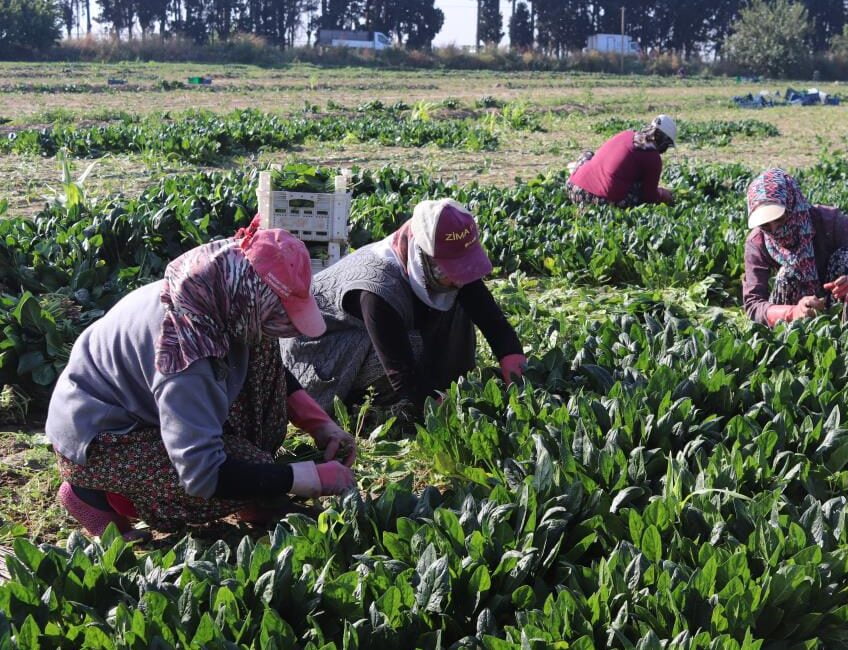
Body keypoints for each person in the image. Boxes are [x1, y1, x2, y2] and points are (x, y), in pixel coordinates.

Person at [46, 226, 357, 538]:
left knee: (262, 344)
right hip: (104, 440)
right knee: (240, 468)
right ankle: (92, 496)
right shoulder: (184, 350)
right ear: (249, 298)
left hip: (151, 405)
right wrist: (305, 478)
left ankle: (249, 495)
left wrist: (320, 424)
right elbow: (202, 473)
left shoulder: (222, 291)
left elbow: (271, 373)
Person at [282, 198, 527, 413]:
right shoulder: (378, 288)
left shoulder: (438, 264)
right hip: (319, 358)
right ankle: (365, 405)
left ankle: (444, 385)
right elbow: (400, 370)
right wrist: (448, 414)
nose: (458, 278)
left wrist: (519, 383)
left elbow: (493, 322)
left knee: (459, 300)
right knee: (413, 344)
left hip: (366, 338)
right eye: (450, 270)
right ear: (424, 257)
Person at [742, 168, 848, 332]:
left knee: (846, 258)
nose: (775, 230)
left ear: (792, 204)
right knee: (786, 275)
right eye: (766, 225)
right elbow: (753, 304)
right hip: (797, 317)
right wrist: (792, 312)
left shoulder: (830, 222)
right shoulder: (758, 241)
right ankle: (799, 347)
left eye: (780, 219)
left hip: (844, 302)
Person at [565, 114, 677, 208]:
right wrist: (662, 194)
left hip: (573, 188)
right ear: (663, 140)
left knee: (589, 155)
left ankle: (577, 171)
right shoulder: (652, 157)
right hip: (598, 202)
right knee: (638, 190)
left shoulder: (626, 134)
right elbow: (649, 197)